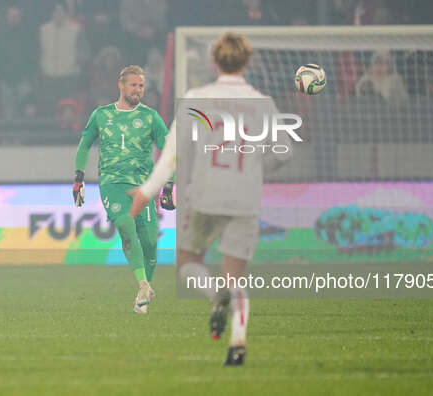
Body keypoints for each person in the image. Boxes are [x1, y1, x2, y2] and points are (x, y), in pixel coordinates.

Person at [128, 32, 292, 366]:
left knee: (189, 263)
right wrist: (258, 166)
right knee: (237, 276)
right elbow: (284, 153)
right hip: (244, 197)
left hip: (205, 195)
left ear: (214, 61)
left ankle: (214, 293)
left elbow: (172, 156)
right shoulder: (263, 102)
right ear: (247, 62)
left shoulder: (197, 97)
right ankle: (238, 344)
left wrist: (146, 191)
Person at [73, 65, 168, 314]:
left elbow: (170, 152)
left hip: (143, 186)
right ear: (121, 86)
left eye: (141, 86)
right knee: (126, 226)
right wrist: (79, 178)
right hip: (112, 183)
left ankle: (144, 289)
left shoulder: (150, 117)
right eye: (133, 85)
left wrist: (168, 184)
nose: (138, 90)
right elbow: (84, 146)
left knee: (149, 241)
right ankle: (143, 284)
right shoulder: (101, 115)